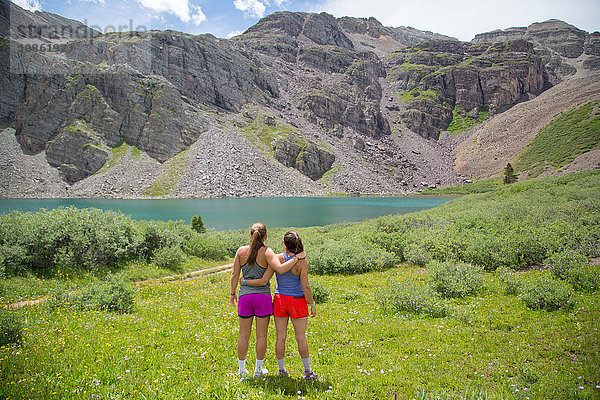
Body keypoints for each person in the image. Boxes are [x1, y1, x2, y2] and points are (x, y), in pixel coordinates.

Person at [230, 222, 305, 381]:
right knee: (261, 336)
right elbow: (279, 270)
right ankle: (258, 370)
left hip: (244, 298)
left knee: (243, 335)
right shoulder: (267, 252)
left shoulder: (241, 251)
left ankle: (242, 372)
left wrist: (233, 292)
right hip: (262, 298)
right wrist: (298, 256)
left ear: (251, 234)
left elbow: (234, 275)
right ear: (265, 236)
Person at [243, 230, 318, 380]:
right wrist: (312, 303)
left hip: (280, 300)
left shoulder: (277, 258)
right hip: (297, 300)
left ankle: (281, 369)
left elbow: (266, 278)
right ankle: (308, 371)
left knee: (280, 337)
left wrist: (246, 282)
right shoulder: (301, 261)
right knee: (301, 337)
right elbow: (306, 286)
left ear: (284, 244)